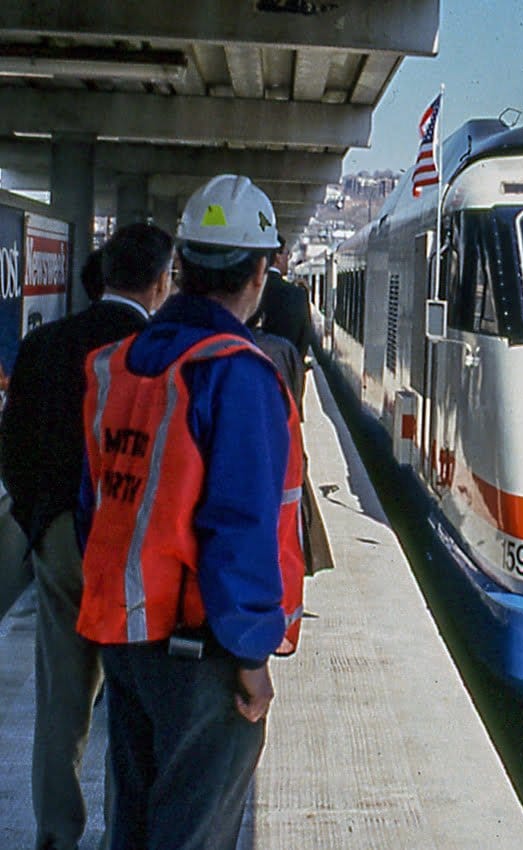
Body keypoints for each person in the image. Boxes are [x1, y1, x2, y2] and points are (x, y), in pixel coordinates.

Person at [77, 174, 305, 850]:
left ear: (181, 265)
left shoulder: (120, 363)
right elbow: (238, 526)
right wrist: (251, 652)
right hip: (203, 653)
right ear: (259, 272)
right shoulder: (237, 372)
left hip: (127, 636)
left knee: (136, 823)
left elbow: (100, 499)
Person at [0, 222, 172, 850]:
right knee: (133, 709)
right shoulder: (161, 354)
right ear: (160, 282)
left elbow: (12, 446)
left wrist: (43, 526)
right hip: (135, 550)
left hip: (63, 545)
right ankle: (123, 832)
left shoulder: (45, 345)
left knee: (62, 702)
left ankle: (55, 833)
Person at [252, 237, 315, 415]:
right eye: (287, 253)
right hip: (282, 390)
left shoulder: (244, 290)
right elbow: (303, 341)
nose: (288, 258)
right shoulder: (295, 295)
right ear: (278, 256)